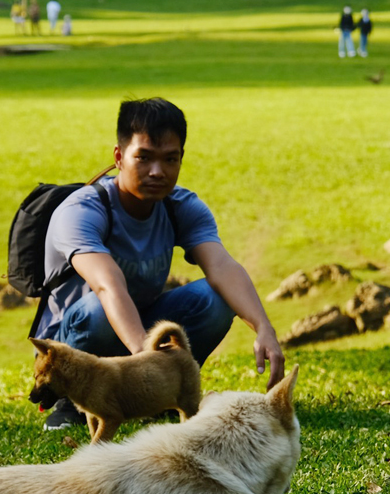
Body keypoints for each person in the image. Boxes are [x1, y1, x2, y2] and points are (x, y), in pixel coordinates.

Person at [35, 97, 286, 429]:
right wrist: (146, 355)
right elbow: (107, 284)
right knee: (98, 311)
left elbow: (223, 267)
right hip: (79, 344)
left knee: (215, 299)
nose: (158, 171)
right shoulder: (82, 210)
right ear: (119, 156)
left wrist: (263, 326)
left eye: (170, 159)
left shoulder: (181, 206)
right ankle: (71, 401)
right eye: (144, 157)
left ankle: (164, 393)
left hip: (140, 332)